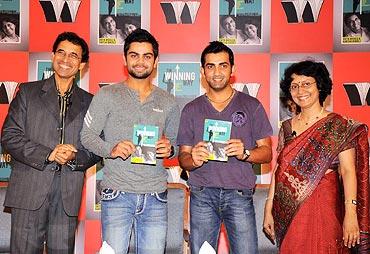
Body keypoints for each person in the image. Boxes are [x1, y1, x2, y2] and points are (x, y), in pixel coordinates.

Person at [80, 29, 180, 253]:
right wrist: (111, 149)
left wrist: (170, 149)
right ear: (124, 59)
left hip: (156, 195)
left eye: (147, 56)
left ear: (155, 61)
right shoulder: (107, 95)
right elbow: (86, 136)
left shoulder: (169, 101)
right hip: (117, 193)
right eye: (134, 55)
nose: (140, 61)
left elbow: (178, 144)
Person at [1, 32, 100, 253]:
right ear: (53, 56)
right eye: (61, 52)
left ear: (82, 64)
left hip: (67, 196)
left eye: (74, 55)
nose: (66, 60)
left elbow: (96, 148)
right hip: (29, 191)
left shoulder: (91, 101)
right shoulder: (27, 92)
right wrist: (48, 154)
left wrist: (75, 156)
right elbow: (9, 135)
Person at [263, 60, 369, 253]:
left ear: (320, 86)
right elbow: (279, 169)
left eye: (306, 83)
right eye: (294, 86)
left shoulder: (338, 125)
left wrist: (351, 213)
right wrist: (269, 207)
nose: (300, 90)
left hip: (324, 203)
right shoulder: (286, 127)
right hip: (289, 208)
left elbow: (347, 171)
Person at [177, 41, 273, 253]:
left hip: (239, 194)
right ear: (203, 71)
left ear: (233, 69)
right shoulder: (190, 110)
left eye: (223, 65)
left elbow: (267, 153)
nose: (217, 72)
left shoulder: (252, 105)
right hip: (202, 195)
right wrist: (193, 158)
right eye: (211, 66)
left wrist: (245, 153)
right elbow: (182, 157)